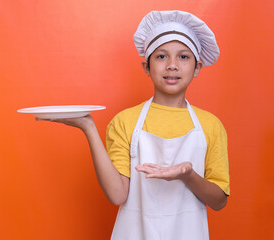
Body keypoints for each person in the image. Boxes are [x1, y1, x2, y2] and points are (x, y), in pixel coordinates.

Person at [38, 10, 230, 240]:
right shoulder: (125, 121)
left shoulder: (211, 126)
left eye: (183, 57)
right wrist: (88, 127)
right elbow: (118, 195)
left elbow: (219, 201)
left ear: (197, 67)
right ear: (146, 67)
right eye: (161, 56)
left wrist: (187, 175)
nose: (172, 65)